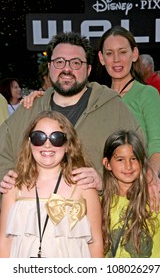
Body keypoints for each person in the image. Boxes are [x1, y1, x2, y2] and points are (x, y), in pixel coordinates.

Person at [0, 31, 160, 213]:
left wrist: (103, 182)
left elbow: (138, 159)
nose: (66, 69)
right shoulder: (30, 109)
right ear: (49, 67)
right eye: (59, 62)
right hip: (36, 226)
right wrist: (6, 175)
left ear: (88, 70)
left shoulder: (113, 107)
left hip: (97, 225)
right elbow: (3, 147)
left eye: (76, 63)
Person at [0, 110, 103, 258]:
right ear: (29, 143)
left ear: (68, 145)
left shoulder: (83, 186)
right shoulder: (13, 187)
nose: (47, 145)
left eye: (56, 138)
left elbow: (96, 243)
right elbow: (5, 242)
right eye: (39, 137)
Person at [97, 26, 160, 212]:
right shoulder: (96, 96)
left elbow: (156, 143)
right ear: (101, 58)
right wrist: (39, 96)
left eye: (122, 52)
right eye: (109, 53)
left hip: (140, 190)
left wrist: (151, 176)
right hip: (103, 193)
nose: (116, 60)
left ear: (134, 54)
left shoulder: (147, 94)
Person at [102, 130, 160, 258]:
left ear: (142, 161)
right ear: (107, 164)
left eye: (133, 159)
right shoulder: (100, 201)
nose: (128, 166)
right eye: (120, 160)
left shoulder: (159, 198)